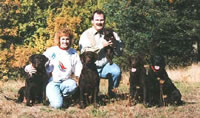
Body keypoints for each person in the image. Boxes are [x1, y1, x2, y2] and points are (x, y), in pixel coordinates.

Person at [25, 28, 83, 108]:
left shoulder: (73, 53)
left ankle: (63, 96)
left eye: (67, 39)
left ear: (70, 40)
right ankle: (58, 97)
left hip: (66, 82)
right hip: (52, 82)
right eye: (63, 39)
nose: (65, 41)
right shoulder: (52, 51)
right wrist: (28, 68)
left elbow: (78, 68)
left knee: (73, 85)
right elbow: (39, 60)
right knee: (57, 105)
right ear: (59, 39)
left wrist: (79, 79)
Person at [79, 10, 123, 97]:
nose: (99, 22)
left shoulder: (112, 33)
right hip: (91, 67)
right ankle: (90, 96)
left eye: (101, 20)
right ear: (92, 21)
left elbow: (120, 53)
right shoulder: (86, 34)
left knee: (116, 71)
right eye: (97, 20)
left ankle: (112, 93)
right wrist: (101, 45)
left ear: (105, 21)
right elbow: (84, 52)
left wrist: (115, 45)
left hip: (106, 66)